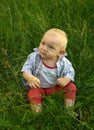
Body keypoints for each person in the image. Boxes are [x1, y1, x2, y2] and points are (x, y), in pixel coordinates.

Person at [21, 28, 77, 114]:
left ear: (60, 53)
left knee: (71, 87)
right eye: (43, 43)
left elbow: (70, 72)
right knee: (33, 93)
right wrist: (30, 78)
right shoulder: (34, 57)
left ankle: (68, 110)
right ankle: (37, 113)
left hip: (55, 87)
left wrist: (66, 79)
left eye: (51, 47)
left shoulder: (64, 62)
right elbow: (25, 69)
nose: (44, 48)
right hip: (39, 87)